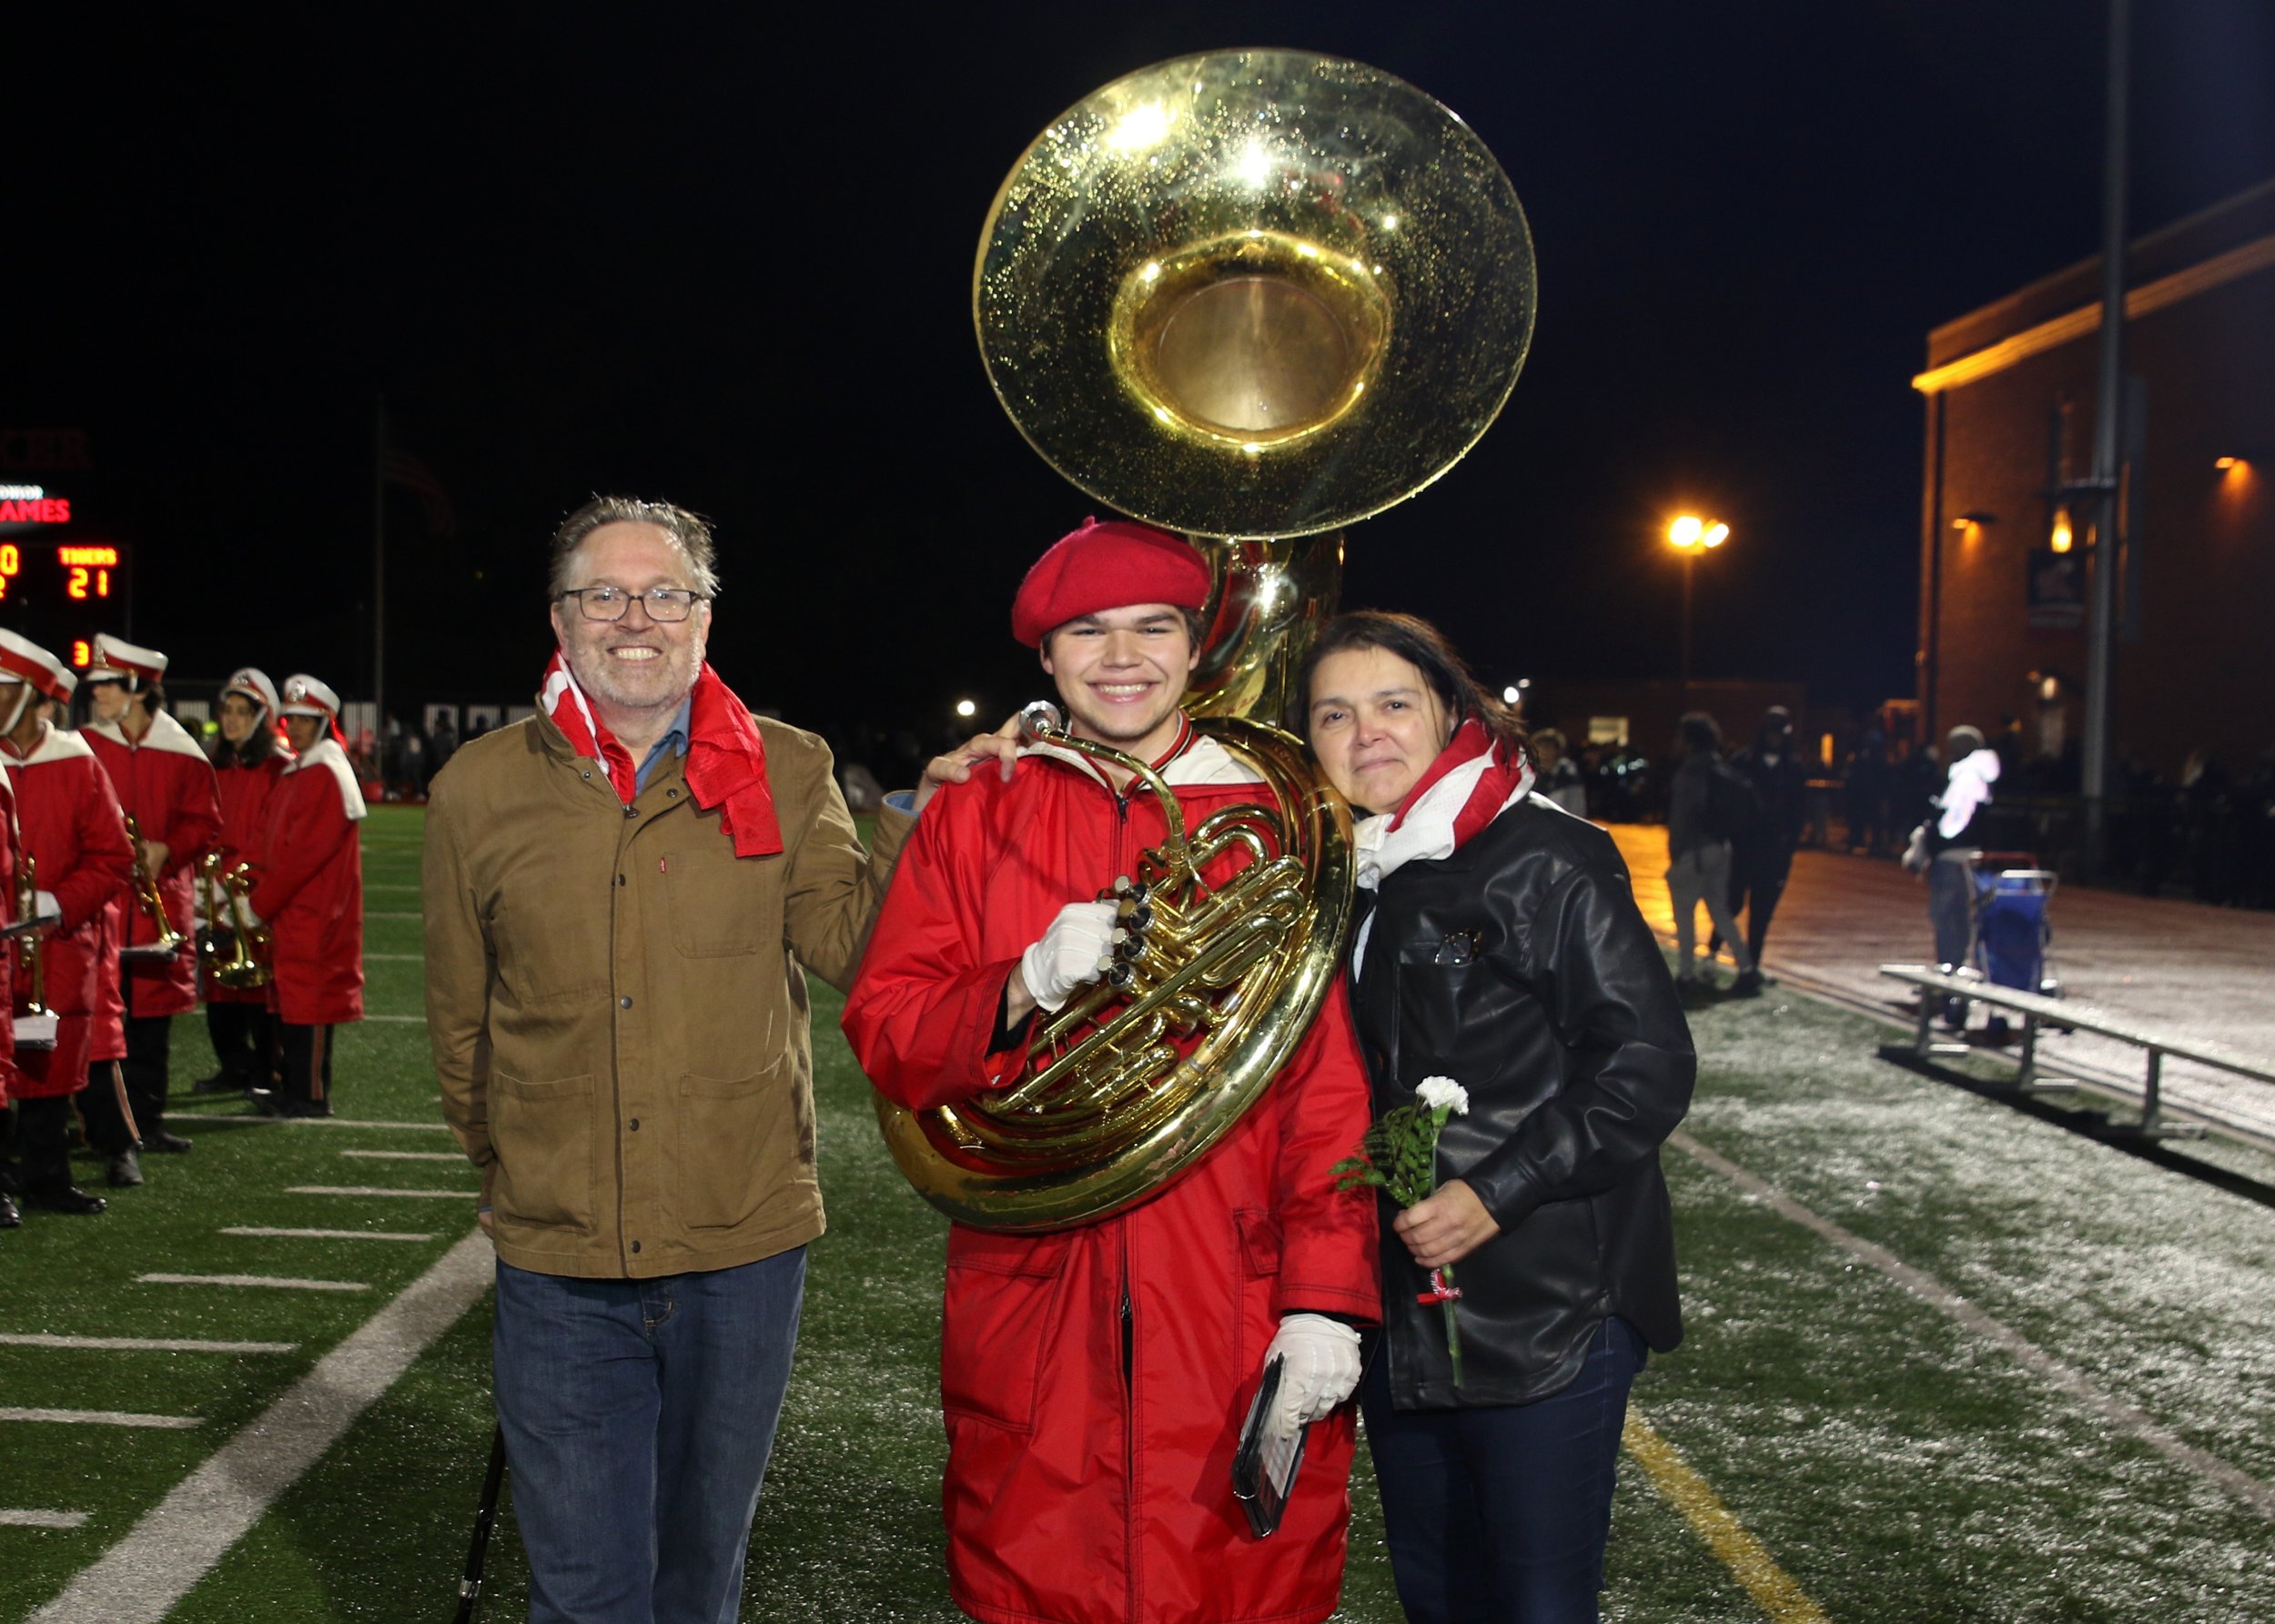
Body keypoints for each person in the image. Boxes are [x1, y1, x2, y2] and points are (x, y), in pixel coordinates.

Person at [423, 496, 998, 1624]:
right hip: (560, 1254)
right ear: (561, 616)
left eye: (664, 594)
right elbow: (461, 1018)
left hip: (742, 1247)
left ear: (703, 617)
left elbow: (858, 955)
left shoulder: (788, 769)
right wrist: (507, 1165)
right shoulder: (477, 787)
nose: (633, 618)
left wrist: (918, 825)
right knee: (585, 1590)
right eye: (604, 594)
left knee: (698, 1580)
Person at [843, 517, 1379, 1624]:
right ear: (1045, 658)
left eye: (1153, 627)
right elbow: (887, 1030)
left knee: (1240, 1590)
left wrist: (1325, 1301)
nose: (1122, 655)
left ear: (1197, 648)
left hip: (1230, 1304)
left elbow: (1321, 1092)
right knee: (1036, 1582)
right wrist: (1019, 983)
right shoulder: (974, 813)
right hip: (1036, 1302)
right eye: (1087, 632)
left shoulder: (1278, 819)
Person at [1298, 610, 1694, 1624]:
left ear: (1450, 712)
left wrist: (1493, 1192)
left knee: (1535, 1604)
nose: (1366, 733)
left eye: (1393, 704)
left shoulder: (1546, 855)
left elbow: (1645, 1064)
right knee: (1439, 1595)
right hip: (1406, 1311)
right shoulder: (1347, 869)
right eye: (1333, 713)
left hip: (1546, 1301)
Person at [0, 630, 134, 1213]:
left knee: (48, 1059)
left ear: (33, 697)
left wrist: (60, 903)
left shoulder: (80, 764)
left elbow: (114, 858)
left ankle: (47, 1177)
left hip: (57, 942)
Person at [81, 635, 221, 1159]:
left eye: (106, 686)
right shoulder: (86, 743)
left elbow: (207, 824)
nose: (96, 696)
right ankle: (102, 1126)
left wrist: (169, 848)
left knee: (151, 1024)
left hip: (159, 902)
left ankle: (147, 1121)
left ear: (137, 689)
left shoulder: (183, 752)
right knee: (100, 1020)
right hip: (101, 905)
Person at [246, 674, 365, 1116]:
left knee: (310, 1005)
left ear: (324, 722)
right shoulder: (305, 769)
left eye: (304, 719)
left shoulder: (323, 773)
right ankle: (293, 1086)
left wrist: (259, 902)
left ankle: (309, 1095)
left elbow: (302, 856)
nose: (293, 727)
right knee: (294, 1004)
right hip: (295, 911)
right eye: (290, 718)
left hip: (315, 912)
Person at [197, 667, 291, 1095]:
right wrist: (205, 880)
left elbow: (271, 834)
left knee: (259, 989)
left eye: (241, 712)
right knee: (219, 987)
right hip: (218, 888)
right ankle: (232, 1065)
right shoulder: (215, 765)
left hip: (254, 893)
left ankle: (265, 1069)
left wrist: (241, 885)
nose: (231, 719)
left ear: (261, 717)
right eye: (227, 710)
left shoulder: (279, 768)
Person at [1904, 723, 2000, 1026]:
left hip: (1951, 860)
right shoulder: (1983, 777)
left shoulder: (1963, 776)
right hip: (1971, 859)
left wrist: (1929, 843)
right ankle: (1955, 976)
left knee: (1947, 921)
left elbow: (1946, 823)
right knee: (1962, 922)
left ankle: (1949, 980)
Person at [1664, 712, 1759, 996]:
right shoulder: (1720, 768)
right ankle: (1746, 968)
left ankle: (1686, 974)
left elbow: (1681, 817)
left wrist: (1676, 853)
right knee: (1720, 911)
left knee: (1685, 915)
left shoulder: (1689, 772)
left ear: (1690, 740)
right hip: (1721, 847)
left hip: (1694, 850)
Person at [1720, 706, 1806, 970]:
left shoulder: (1792, 767)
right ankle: (1715, 949)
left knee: (1762, 912)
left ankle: (1751, 964)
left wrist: (1789, 843)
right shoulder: (1743, 761)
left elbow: (1798, 809)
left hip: (1774, 850)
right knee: (1731, 903)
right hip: (1744, 846)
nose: (1775, 738)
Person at [1532, 727, 1588, 817]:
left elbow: (1577, 809)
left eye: (1547, 747)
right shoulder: (1529, 774)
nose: (1543, 751)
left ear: (1557, 750)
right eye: (1539, 747)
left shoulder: (1568, 775)